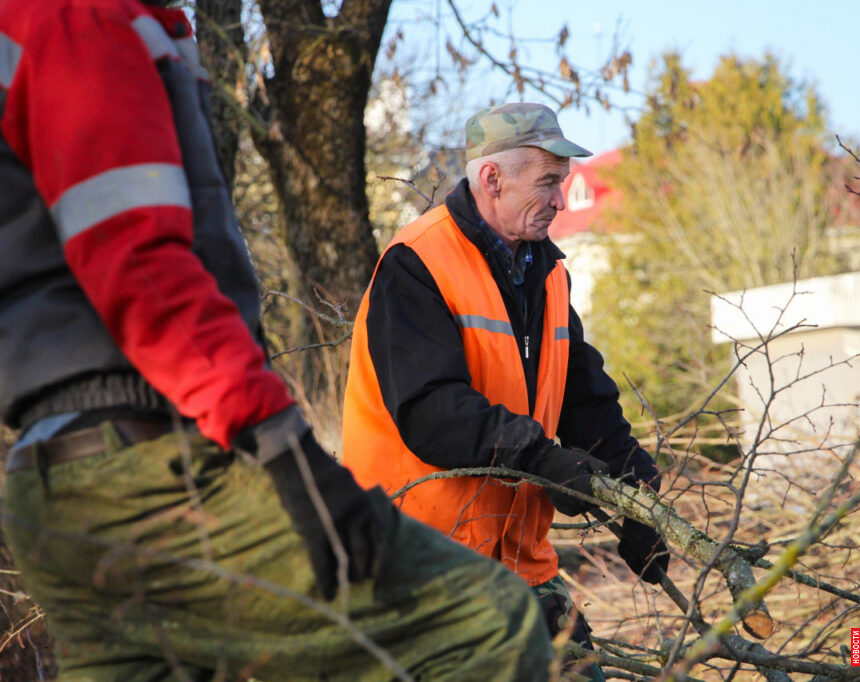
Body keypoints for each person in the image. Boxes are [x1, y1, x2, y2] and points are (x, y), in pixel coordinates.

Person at [0, 2, 552, 679]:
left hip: (53, 475)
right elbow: (139, 264)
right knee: (486, 623)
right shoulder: (82, 16)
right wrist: (281, 442)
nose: (559, 199)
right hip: (150, 463)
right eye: (549, 180)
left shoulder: (76, 25)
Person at [343, 102, 671, 679]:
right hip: (422, 570)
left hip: (524, 566)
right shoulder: (415, 264)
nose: (560, 200)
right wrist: (543, 462)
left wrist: (638, 491)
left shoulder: (546, 273)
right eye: (547, 182)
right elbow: (431, 411)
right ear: (492, 179)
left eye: (562, 183)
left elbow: (583, 396)